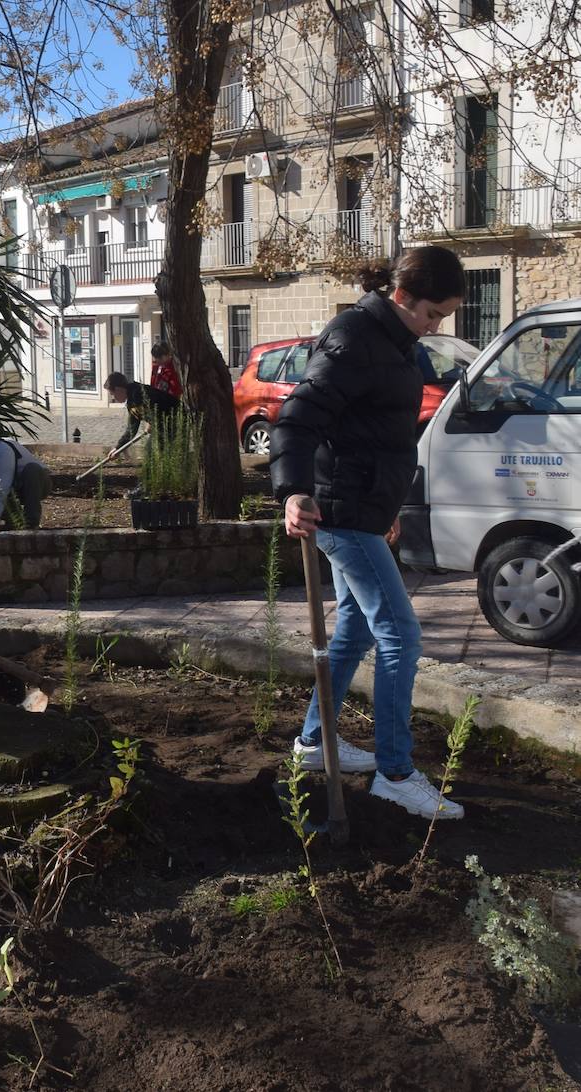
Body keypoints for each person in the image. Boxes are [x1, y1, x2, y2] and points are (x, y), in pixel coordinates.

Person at [271, 244, 467, 821]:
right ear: (402, 296)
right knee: (400, 635)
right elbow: (298, 420)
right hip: (340, 511)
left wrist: (389, 507)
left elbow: (381, 435)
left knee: (356, 629)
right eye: (433, 314)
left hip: (365, 509)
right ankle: (395, 774)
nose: (435, 326)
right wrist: (293, 492)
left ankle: (313, 743)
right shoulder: (353, 338)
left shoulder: (396, 342)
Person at [105, 373, 181, 448]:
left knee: (152, 450)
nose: (113, 398)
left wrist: (152, 422)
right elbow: (132, 429)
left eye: (112, 394)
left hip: (176, 420)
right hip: (163, 425)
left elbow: (158, 408)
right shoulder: (131, 403)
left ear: (118, 389)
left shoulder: (139, 393)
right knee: (150, 450)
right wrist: (118, 447)